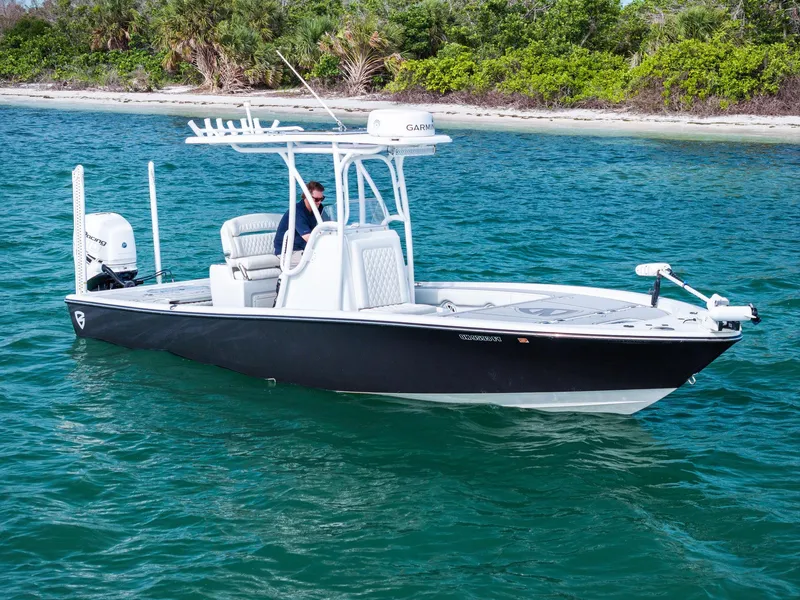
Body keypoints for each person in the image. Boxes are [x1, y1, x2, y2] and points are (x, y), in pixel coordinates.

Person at [273, 181, 329, 267]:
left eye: (322, 199)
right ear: (307, 197)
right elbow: (308, 237)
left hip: (304, 248)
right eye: (317, 199)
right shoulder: (297, 211)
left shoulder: (319, 208)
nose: (319, 202)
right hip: (288, 252)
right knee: (321, 260)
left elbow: (328, 226)